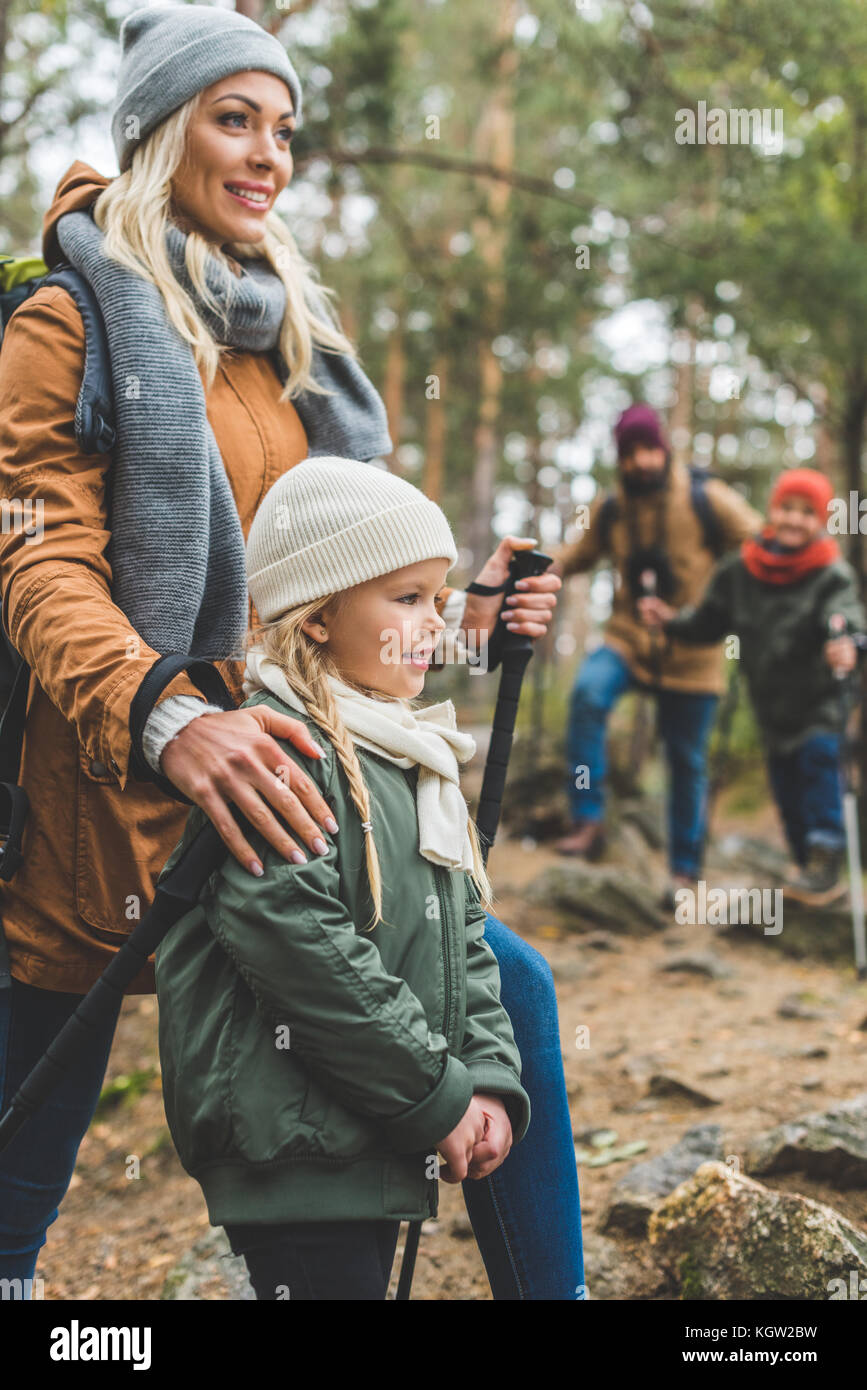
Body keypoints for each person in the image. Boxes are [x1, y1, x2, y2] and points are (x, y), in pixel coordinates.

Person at [0, 4, 580, 1300]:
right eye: (234, 118)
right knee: (21, 1172)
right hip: (112, 803)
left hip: (292, 798)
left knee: (509, 991)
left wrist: (466, 618)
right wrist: (168, 715)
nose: (270, 155)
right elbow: (34, 561)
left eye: (285, 130)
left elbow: (332, 592)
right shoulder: (65, 321)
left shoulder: (286, 355)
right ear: (160, 130)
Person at [155, 457, 532, 1301]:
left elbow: (463, 939)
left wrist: (487, 1083)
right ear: (319, 615)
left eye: (438, 600)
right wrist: (437, 1096)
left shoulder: (406, 756)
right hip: (295, 1148)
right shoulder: (276, 751)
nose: (433, 625)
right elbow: (302, 949)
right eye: (406, 598)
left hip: (371, 1131)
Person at [551, 403, 761, 900]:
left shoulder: (706, 497)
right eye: (631, 452)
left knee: (686, 760)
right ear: (621, 458)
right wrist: (532, 569)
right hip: (627, 639)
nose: (642, 461)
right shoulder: (611, 509)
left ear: (664, 449)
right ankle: (587, 818)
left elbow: (759, 542)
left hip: (695, 650)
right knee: (587, 696)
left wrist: (725, 606)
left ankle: (684, 870)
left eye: (650, 449)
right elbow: (574, 557)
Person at [641, 467, 866, 906]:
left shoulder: (832, 575)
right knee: (785, 788)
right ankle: (806, 867)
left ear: (821, 520)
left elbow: (846, 618)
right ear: (771, 509)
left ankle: (826, 863)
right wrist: (671, 621)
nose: (795, 520)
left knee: (819, 767)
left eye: (808, 512)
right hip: (771, 708)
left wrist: (849, 644)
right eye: (787, 508)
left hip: (819, 703)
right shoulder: (739, 571)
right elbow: (708, 620)